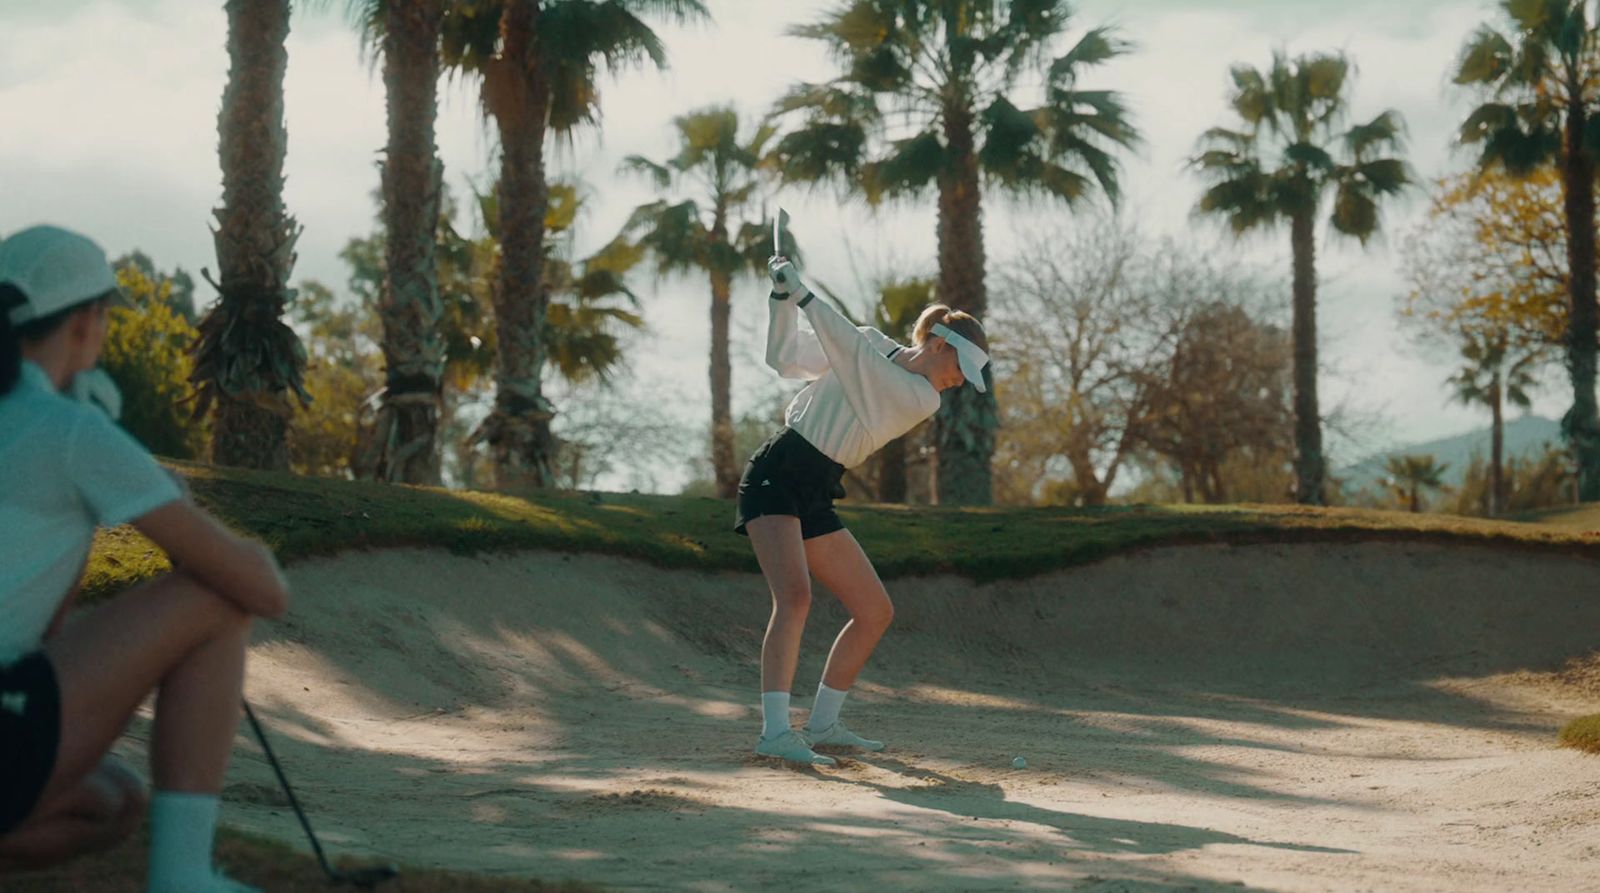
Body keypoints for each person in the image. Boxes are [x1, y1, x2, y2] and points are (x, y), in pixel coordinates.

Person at [0, 225, 291, 892]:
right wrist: (179, 517)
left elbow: (38, 636)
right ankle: (184, 877)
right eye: (103, 316)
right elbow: (263, 588)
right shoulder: (72, 430)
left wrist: (85, 516)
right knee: (217, 596)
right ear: (83, 322)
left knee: (112, 798)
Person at [738, 256, 990, 766]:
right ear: (940, 344)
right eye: (961, 368)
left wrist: (805, 296)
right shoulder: (871, 342)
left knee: (874, 610)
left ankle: (825, 725)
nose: (961, 382)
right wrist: (782, 299)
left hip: (817, 485)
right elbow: (787, 358)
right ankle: (774, 734)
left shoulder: (921, 397)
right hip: (778, 470)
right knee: (794, 599)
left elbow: (853, 358)